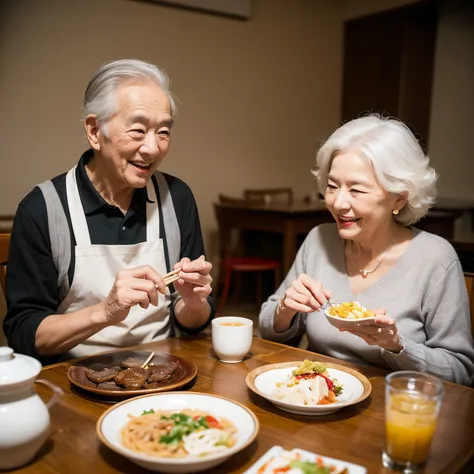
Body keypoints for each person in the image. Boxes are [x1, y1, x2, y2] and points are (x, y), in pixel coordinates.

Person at [3, 59, 214, 364]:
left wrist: (194, 304)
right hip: (71, 380)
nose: (153, 149)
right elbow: (24, 335)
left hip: (161, 373)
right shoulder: (43, 209)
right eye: (138, 130)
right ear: (93, 130)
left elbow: (192, 322)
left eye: (164, 132)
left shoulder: (176, 198)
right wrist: (105, 312)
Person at [259, 114, 474, 386]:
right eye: (332, 186)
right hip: (317, 398)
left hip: (393, 410)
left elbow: (462, 372)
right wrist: (285, 309)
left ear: (399, 197)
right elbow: (267, 329)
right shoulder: (318, 240)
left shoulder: (435, 259)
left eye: (356, 190)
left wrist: (397, 346)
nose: (338, 203)